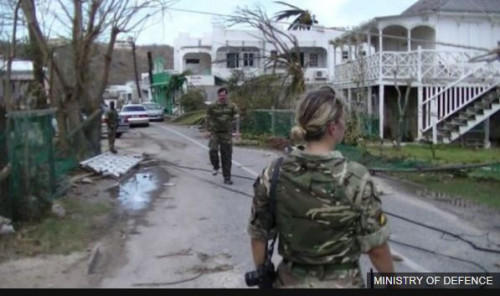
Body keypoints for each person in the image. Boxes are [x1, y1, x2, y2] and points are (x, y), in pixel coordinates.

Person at [247, 89, 394, 288]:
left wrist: (263, 274)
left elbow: (259, 237)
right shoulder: (355, 177)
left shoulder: (274, 173)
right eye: (343, 121)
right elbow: (376, 249)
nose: (345, 125)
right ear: (333, 128)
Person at [205, 87, 239, 185]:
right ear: (218, 96)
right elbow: (207, 118)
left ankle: (227, 177)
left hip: (226, 133)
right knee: (213, 150)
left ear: (226, 95)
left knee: (227, 156)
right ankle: (216, 166)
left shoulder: (232, 106)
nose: (222, 97)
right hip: (215, 132)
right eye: (220, 95)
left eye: (224, 95)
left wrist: (237, 131)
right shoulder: (212, 106)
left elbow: (237, 119)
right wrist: (206, 131)